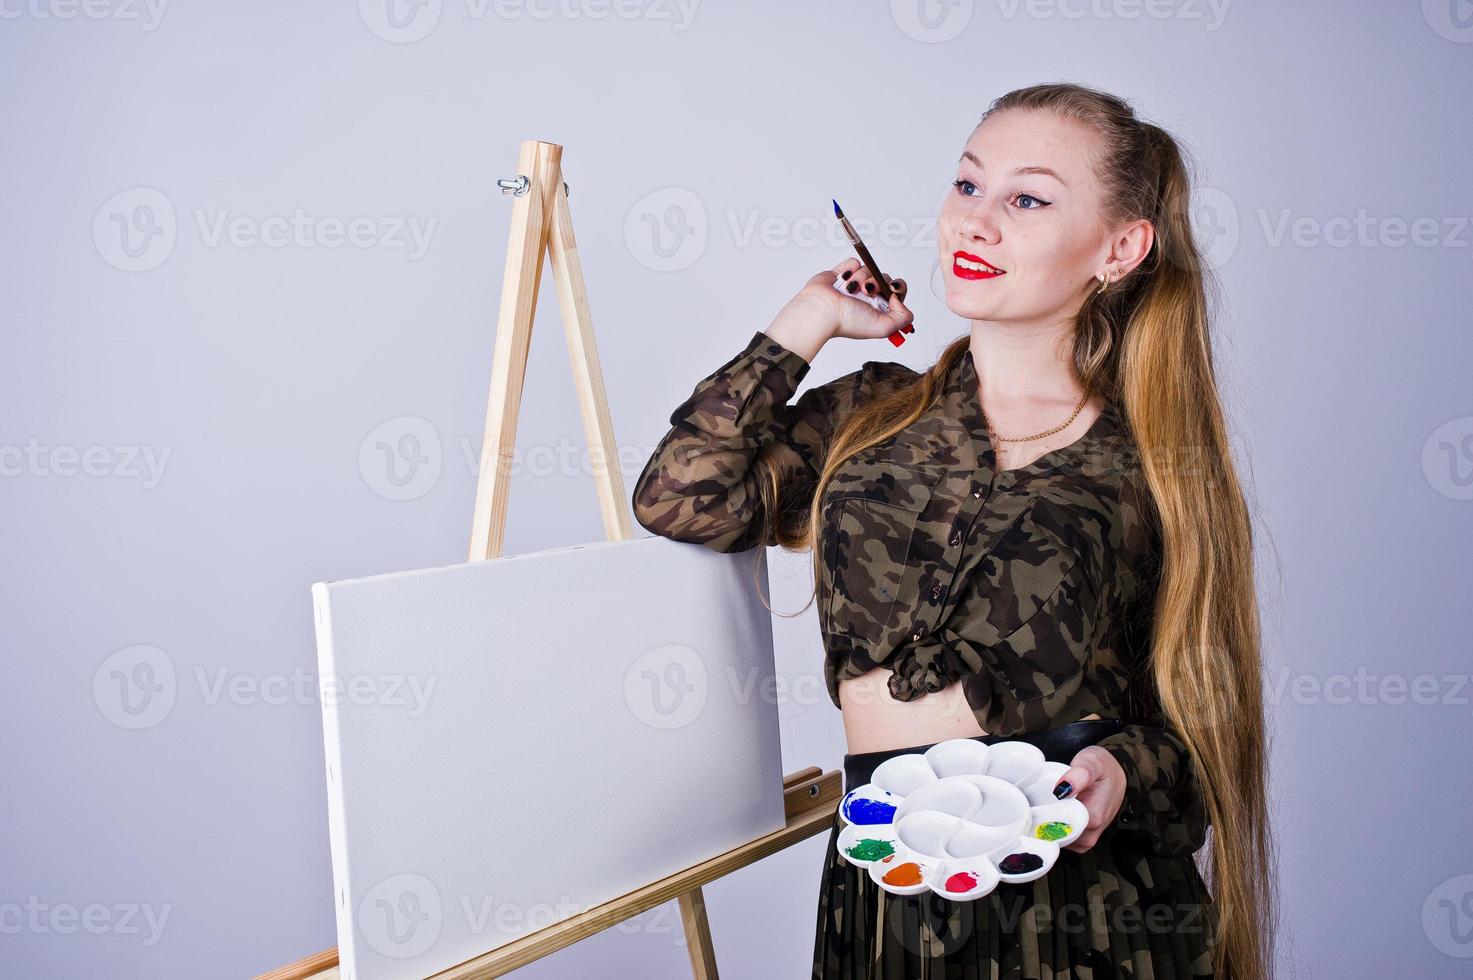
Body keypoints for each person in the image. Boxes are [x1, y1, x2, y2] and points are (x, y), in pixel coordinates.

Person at [631, 82, 1274, 980]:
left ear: (1120, 249)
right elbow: (680, 496)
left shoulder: (1151, 465)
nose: (975, 223)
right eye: (967, 185)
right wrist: (809, 320)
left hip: (1080, 908)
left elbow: (1197, 748)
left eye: (1027, 199)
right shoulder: (872, 414)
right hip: (885, 890)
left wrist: (1120, 775)